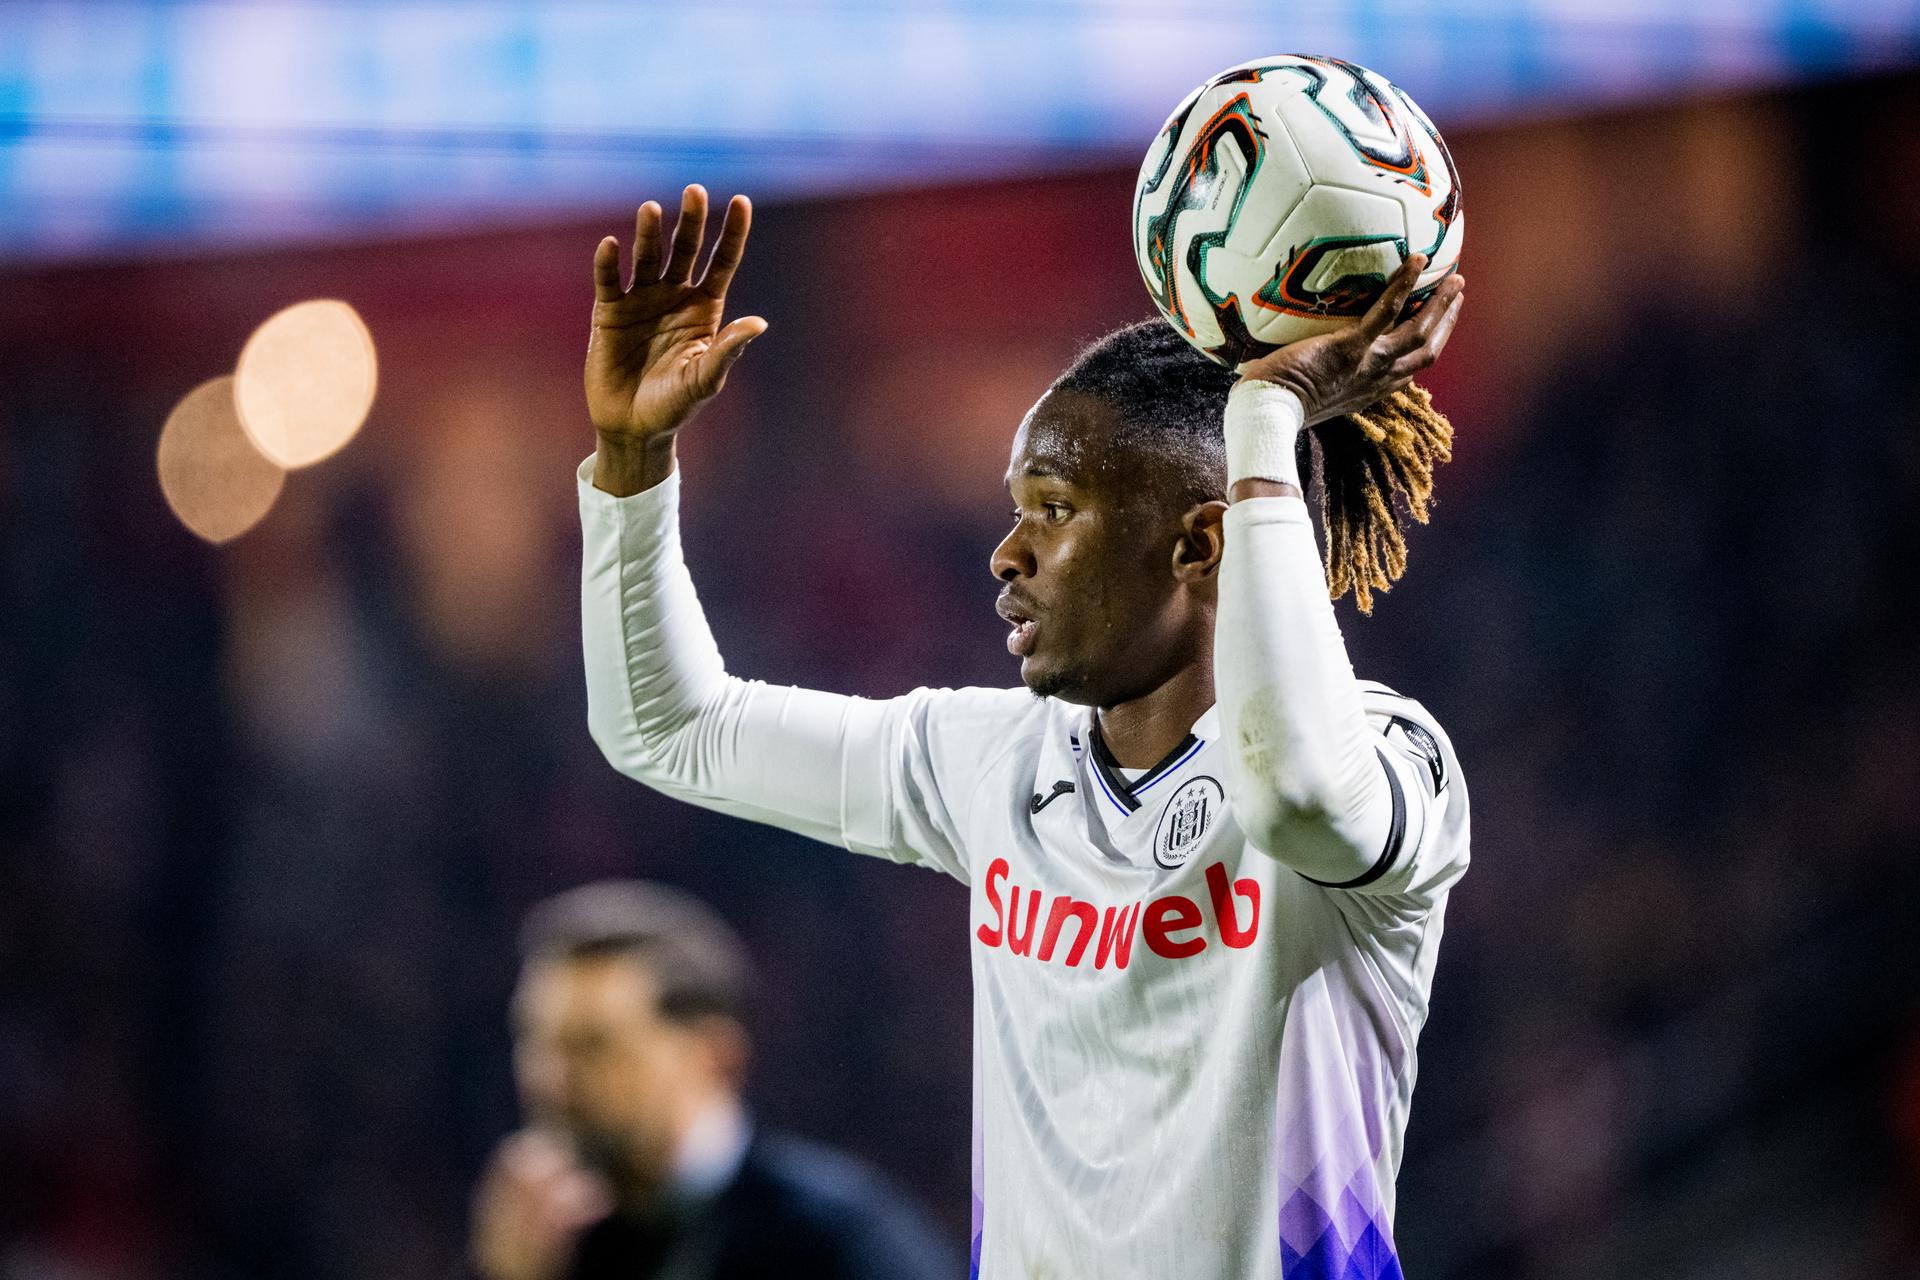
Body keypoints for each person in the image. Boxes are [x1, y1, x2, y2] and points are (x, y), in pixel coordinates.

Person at [576, 184, 1469, 1277]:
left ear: (1200, 544)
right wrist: (630, 463)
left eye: (1053, 508)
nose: (1006, 553)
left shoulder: (1390, 757)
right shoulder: (993, 760)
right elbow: (670, 727)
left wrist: (1265, 426)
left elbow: (1295, 794)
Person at [469, 880, 962, 1280]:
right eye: (534, 1040)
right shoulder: (549, 1249)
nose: (551, 1077)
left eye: (596, 1046)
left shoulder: (840, 1243)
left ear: (715, 1057)